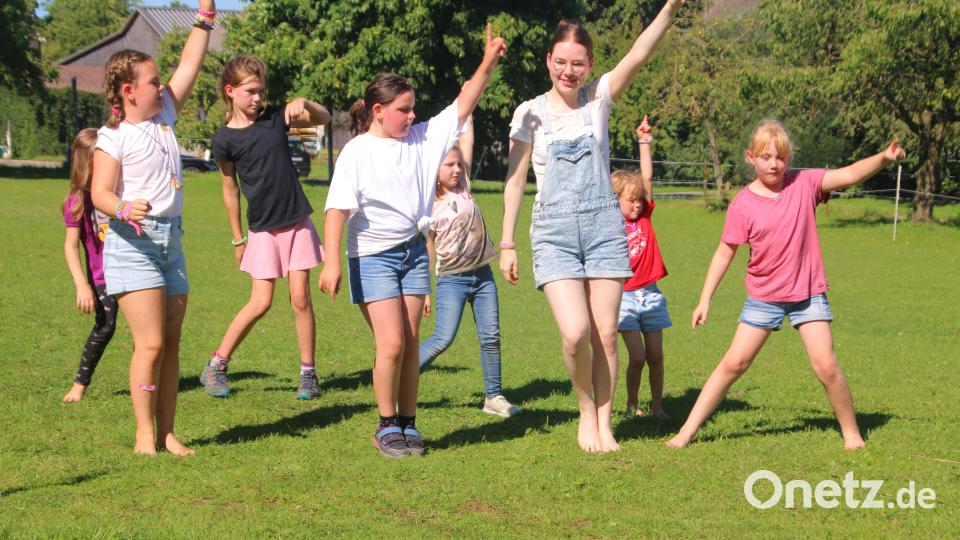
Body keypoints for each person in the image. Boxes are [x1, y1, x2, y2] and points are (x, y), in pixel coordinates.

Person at [499, 2, 686, 453]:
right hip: (554, 233)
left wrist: (671, 7)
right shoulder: (528, 113)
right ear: (548, 60)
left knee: (605, 335)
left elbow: (640, 52)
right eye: (561, 62)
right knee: (575, 333)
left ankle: (605, 424)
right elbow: (515, 179)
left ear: (590, 64)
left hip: (605, 229)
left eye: (578, 63)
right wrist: (506, 242)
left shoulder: (599, 97)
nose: (569, 71)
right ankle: (586, 410)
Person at [319, 23, 506, 458]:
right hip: (372, 257)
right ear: (377, 110)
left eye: (413, 108)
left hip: (413, 253)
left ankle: (408, 423)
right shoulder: (357, 152)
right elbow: (336, 210)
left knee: (408, 344)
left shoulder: (423, 139)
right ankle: (386, 425)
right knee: (392, 344)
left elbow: (464, 101)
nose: (411, 116)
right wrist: (331, 263)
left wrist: (487, 63)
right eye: (403, 109)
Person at [666, 120, 906, 450]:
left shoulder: (804, 183)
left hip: (808, 294)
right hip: (764, 297)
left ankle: (852, 434)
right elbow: (724, 253)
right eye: (766, 157)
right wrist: (705, 299)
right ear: (750, 157)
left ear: (788, 159)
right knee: (734, 364)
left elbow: (849, 174)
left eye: (780, 157)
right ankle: (685, 433)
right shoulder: (742, 205)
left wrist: (883, 158)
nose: (774, 164)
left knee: (826, 366)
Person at [90, 0, 217, 456]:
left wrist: (204, 18)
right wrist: (124, 207)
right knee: (151, 343)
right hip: (134, 245)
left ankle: (167, 432)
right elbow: (99, 193)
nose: (161, 85)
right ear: (129, 91)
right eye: (151, 81)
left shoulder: (165, 115)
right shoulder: (113, 137)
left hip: (171, 241)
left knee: (172, 342)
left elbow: (190, 64)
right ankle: (145, 434)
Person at [199, 56, 331, 399]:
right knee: (260, 302)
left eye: (261, 91)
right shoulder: (224, 139)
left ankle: (308, 374)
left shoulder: (275, 118)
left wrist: (304, 103)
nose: (258, 98)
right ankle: (216, 365)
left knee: (300, 297)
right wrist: (237, 238)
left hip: (296, 221)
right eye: (250, 91)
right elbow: (229, 189)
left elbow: (324, 120)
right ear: (230, 91)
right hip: (261, 230)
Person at [419, 119, 521, 418]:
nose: (456, 169)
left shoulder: (464, 188)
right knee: (443, 338)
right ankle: (400, 380)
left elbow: (467, 143)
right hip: (451, 280)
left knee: (491, 337)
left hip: (483, 277)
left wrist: (468, 116)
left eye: (458, 164)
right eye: (449, 165)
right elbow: (427, 250)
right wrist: (424, 291)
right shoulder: (429, 206)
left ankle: (494, 397)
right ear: (434, 170)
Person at [613, 116, 670, 419]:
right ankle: (632, 405)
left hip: (651, 294)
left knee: (656, 356)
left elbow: (646, 178)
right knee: (637, 356)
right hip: (624, 298)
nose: (636, 205)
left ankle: (657, 407)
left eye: (638, 200)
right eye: (630, 200)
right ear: (616, 200)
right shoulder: (611, 225)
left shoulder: (645, 216)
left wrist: (644, 141)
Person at [62, 128, 118, 403]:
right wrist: (81, 285)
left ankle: (150, 381)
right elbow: (70, 246)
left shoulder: (119, 191)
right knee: (105, 326)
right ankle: (79, 385)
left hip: (132, 269)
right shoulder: (77, 202)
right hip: (102, 278)